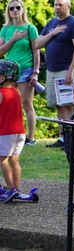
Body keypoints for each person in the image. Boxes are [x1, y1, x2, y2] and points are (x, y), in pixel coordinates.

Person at [35, 0, 74, 145]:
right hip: (52, 70)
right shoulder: (51, 23)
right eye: (56, 4)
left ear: (68, 7)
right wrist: (52, 33)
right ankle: (63, 137)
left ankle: (73, 138)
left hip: (68, 70)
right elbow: (37, 44)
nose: (57, 7)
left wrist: (70, 71)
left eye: (61, 5)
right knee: (58, 103)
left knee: (69, 103)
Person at [0, 0, 39, 146]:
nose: (15, 10)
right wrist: (13, 39)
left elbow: (36, 52)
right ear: (9, 12)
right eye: (11, 8)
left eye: (18, 7)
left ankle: (30, 138)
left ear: (23, 9)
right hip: (9, 72)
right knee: (6, 103)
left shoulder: (30, 28)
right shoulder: (5, 29)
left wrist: (35, 71)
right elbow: (0, 51)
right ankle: (9, 134)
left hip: (26, 69)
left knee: (26, 103)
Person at [0, 59, 27, 202]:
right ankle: (16, 188)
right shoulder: (16, 92)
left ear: (3, 77)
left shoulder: (1, 92)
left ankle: (10, 189)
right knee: (14, 160)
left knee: (2, 160)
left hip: (5, 132)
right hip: (20, 132)